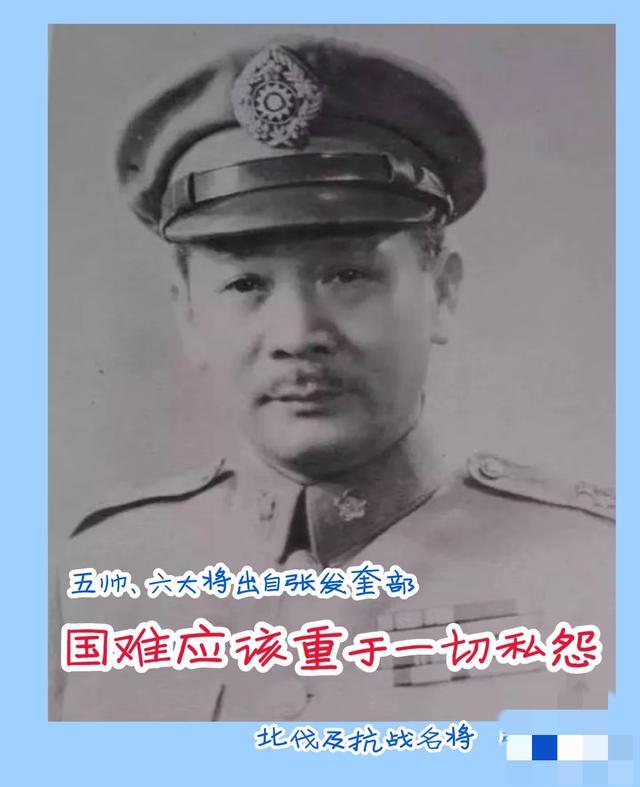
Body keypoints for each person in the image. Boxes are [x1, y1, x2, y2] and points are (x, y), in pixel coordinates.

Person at [50, 36, 614, 721]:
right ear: (190, 315)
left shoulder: (597, 572)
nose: (297, 336)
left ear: (443, 291)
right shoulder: (95, 583)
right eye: (246, 284)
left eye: (348, 275)